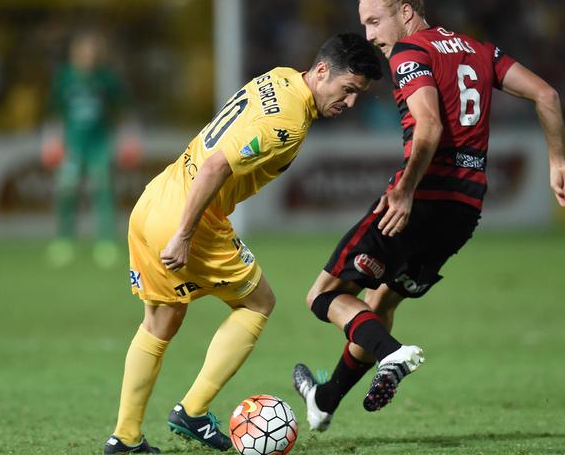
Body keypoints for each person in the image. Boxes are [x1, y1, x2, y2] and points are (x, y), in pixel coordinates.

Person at [293, 0, 565, 432]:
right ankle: (325, 400)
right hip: (463, 212)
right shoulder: (479, 51)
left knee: (323, 295)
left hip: (421, 197)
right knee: (380, 301)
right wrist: (558, 162)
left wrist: (404, 191)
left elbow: (429, 126)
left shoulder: (411, 51)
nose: (369, 36)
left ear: (405, 13)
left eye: (373, 22)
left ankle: (393, 354)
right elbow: (547, 94)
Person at [103, 33, 382, 454]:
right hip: (188, 214)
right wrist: (184, 233)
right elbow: (216, 165)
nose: (350, 103)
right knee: (258, 303)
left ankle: (124, 438)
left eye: (358, 94)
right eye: (348, 90)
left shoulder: (282, 78)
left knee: (160, 321)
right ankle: (193, 411)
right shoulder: (287, 122)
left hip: (155, 198)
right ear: (322, 71)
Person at [42, 30, 139, 268]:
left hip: (100, 143)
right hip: (72, 143)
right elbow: (54, 111)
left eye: (91, 51)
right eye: (83, 51)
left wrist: (129, 137)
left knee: (103, 188)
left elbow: (124, 108)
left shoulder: (106, 79)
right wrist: (50, 139)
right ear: (74, 53)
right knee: (67, 189)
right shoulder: (64, 78)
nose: (87, 56)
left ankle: (105, 242)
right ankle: (64, 240)